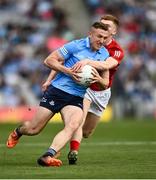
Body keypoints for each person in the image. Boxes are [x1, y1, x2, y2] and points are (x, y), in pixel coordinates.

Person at [6, 22, 110, 167]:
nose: (102, 40)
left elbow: (105, 83)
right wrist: (68, 71)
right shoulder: (75, 46)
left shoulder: (104, 54)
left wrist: (98, 79)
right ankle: (18, 131)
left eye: (105, 38)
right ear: (90, 34)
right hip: (57, 91)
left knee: (73, 124)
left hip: (77, 97)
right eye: (99, 36)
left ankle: (48, 155)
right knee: (33, 129)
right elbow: (48, 60)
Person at [67, 14, 124, 165]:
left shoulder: (116, 50)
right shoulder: (89, 43)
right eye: (101, 24)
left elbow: (107, 65)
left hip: (103, 90)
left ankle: (70, 139)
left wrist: (88, 62)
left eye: (108, 26)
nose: (104, 28)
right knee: (78, 121)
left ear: (114, 32)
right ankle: (73, 152)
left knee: (86, 132)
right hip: (84, 88)